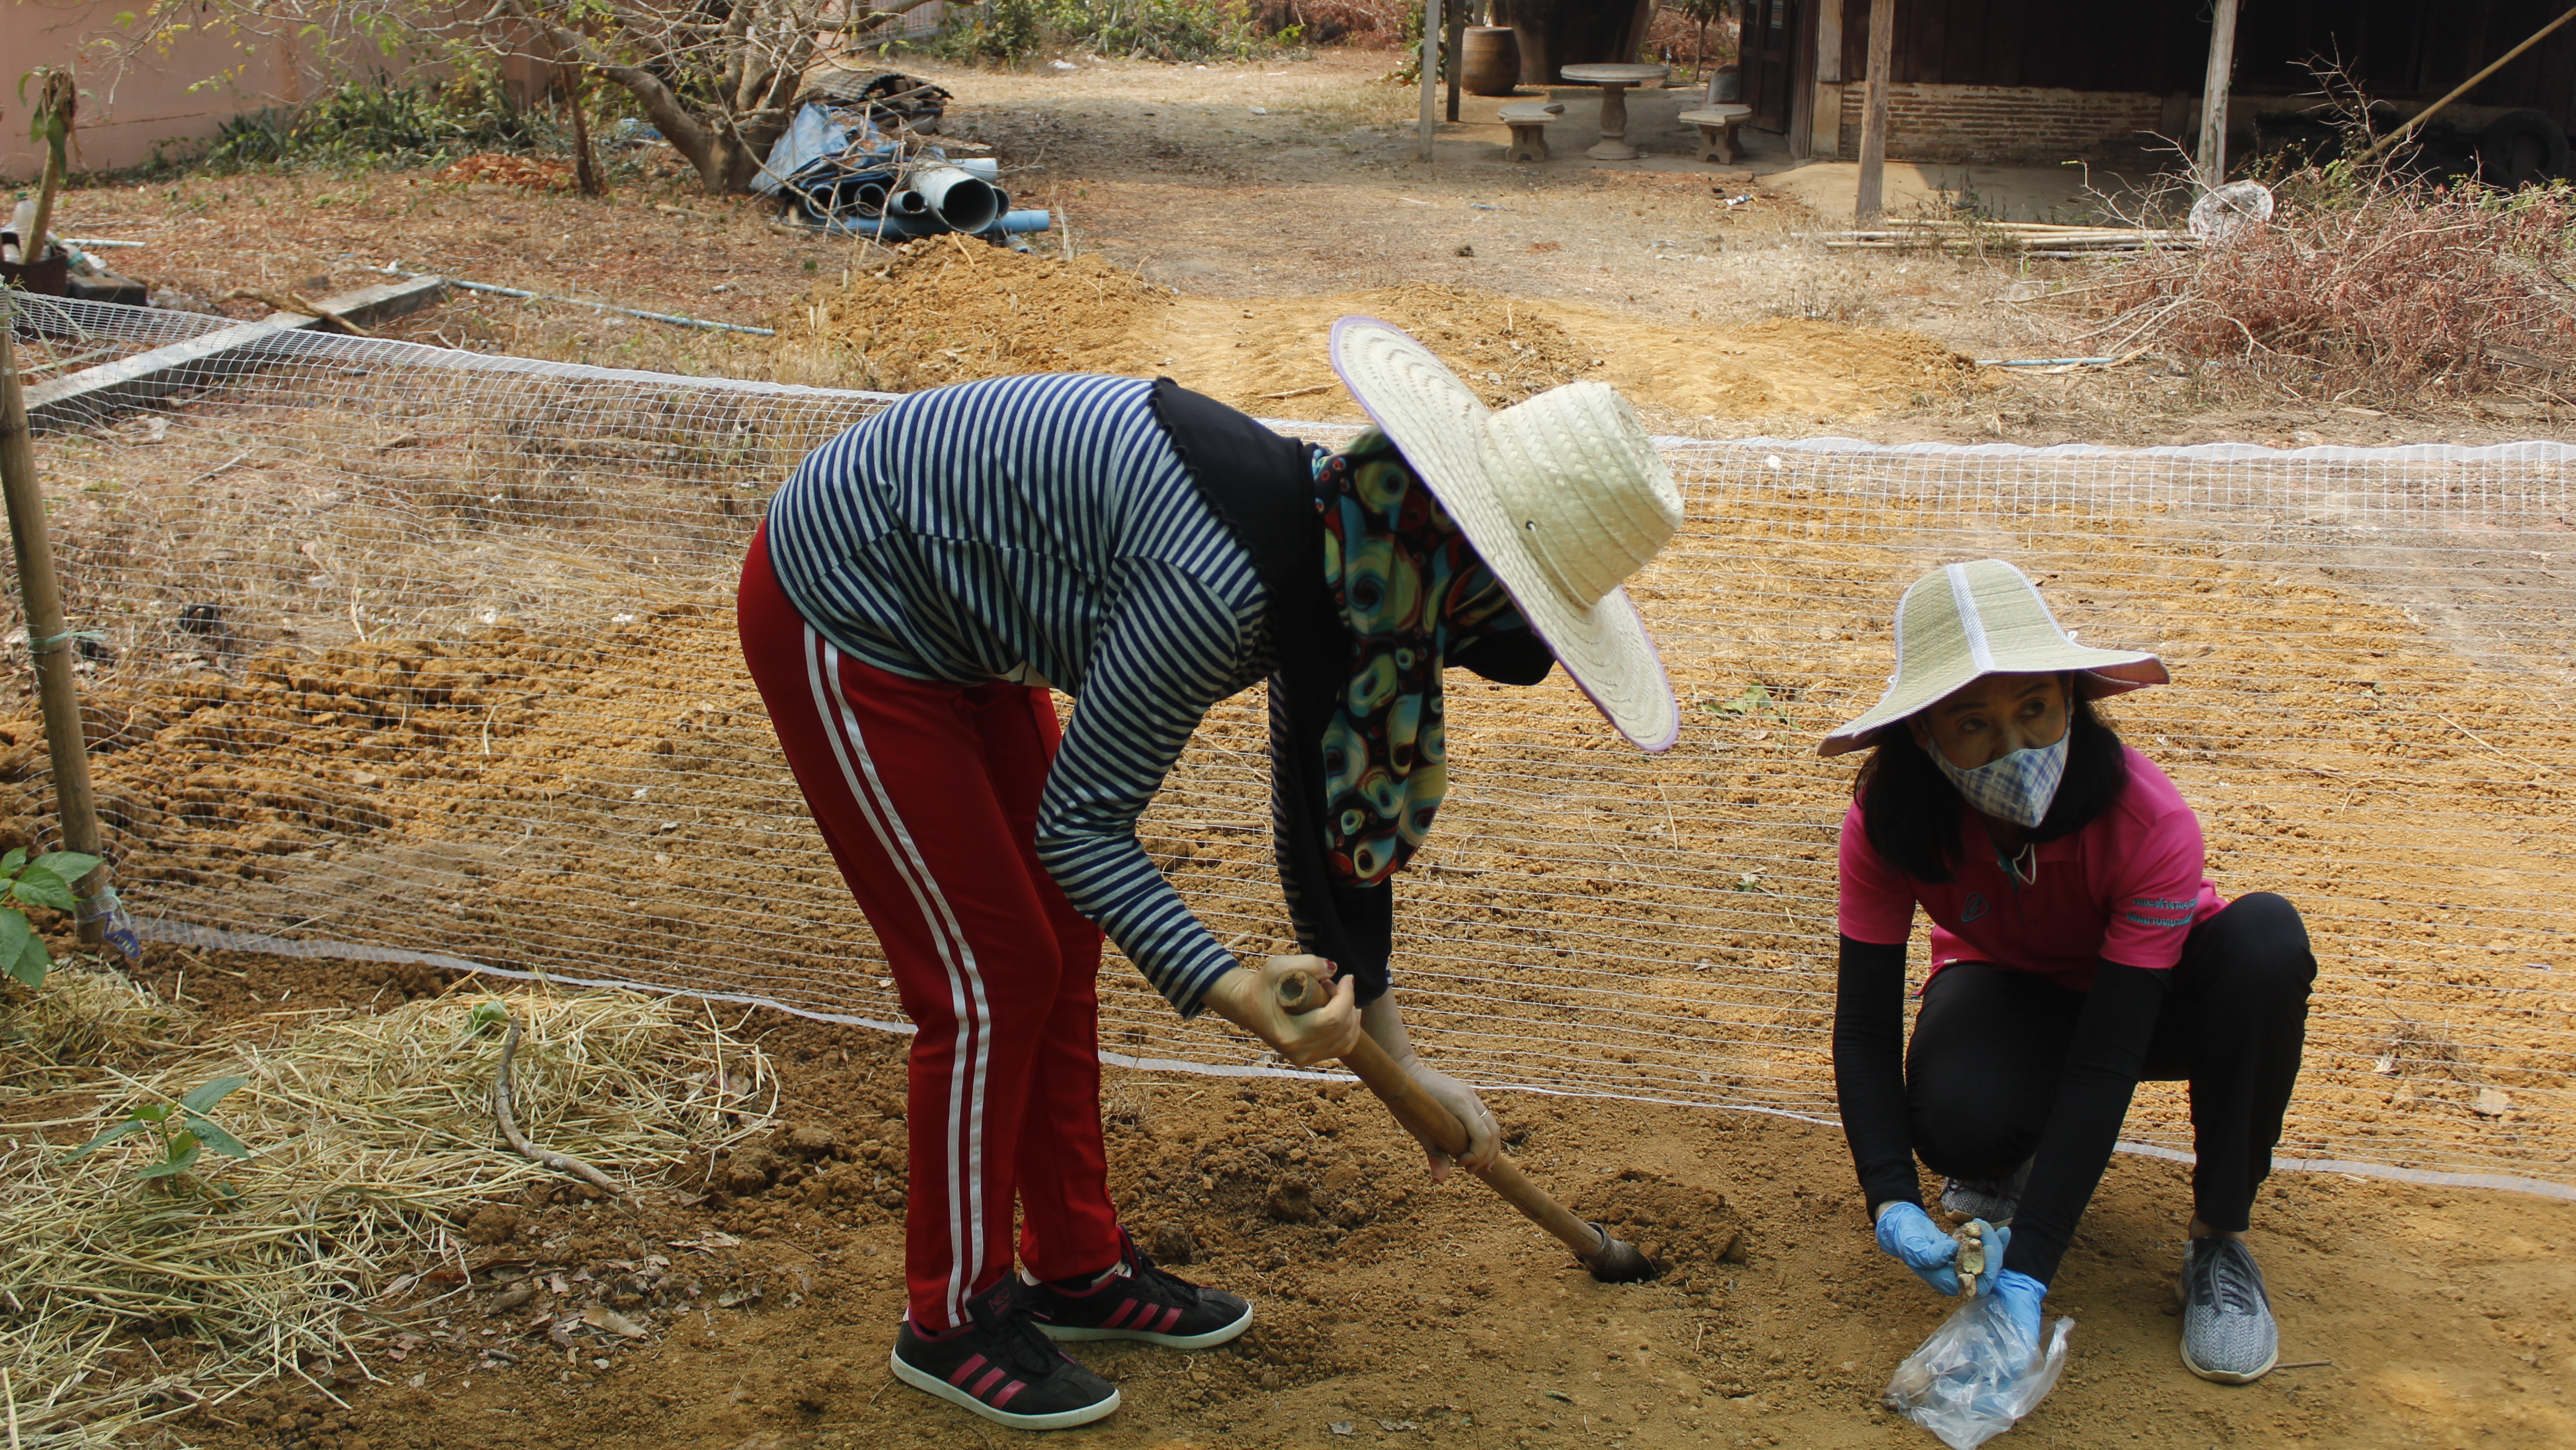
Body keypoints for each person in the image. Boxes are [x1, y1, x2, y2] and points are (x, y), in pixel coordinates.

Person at [739, 318, 1685, 1431]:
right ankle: (951, 1316)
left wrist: (1404, 1061)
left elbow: (1319, 805)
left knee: (1061, 945)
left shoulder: (1346, 540)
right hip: (855, 601)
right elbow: (1082, 828)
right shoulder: (1222, 585)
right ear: (1469, 576)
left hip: (968, 606)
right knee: (993, 975)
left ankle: (1077, 1267)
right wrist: (1232, 988)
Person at [1817, 559, 2317, 1392]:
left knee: (2265, 943)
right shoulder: (1886, 822)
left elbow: (2107, 1060)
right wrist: (1889, 1199)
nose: (2013, 746)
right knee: (1957, 1119)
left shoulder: (2149, 822)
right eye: (1972, 722)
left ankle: (2219, 1240)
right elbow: (1864, 1023)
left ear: (2071, 699)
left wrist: (2029, 1278)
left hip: (2155, 1003)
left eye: (2035, 709)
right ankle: (2012, 1157)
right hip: (2015, 987)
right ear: (1923, 732)